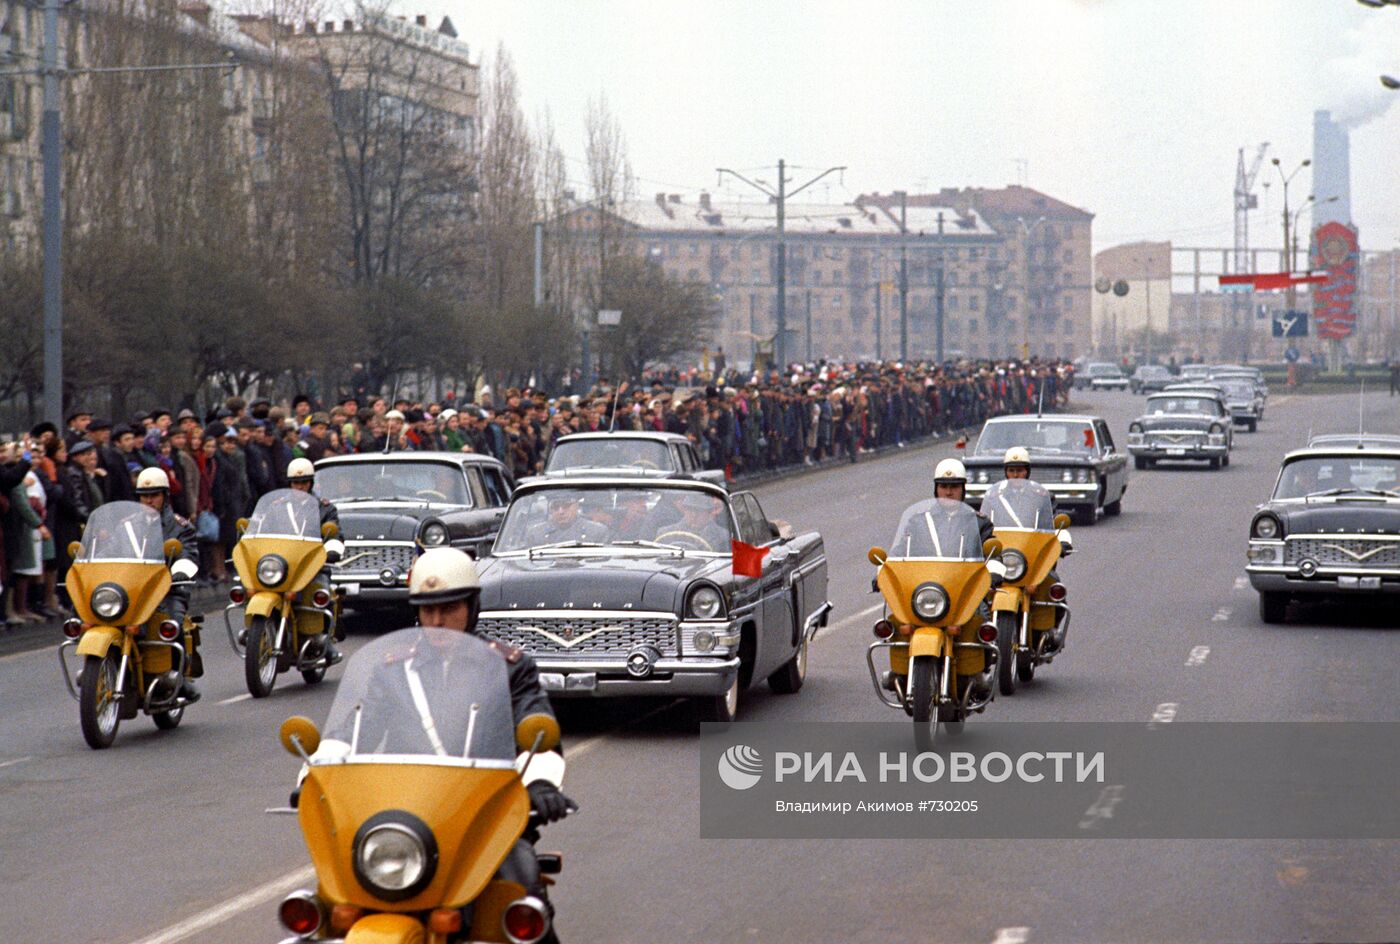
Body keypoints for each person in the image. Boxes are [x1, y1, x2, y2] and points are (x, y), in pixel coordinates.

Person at [306, 548, 572, 924]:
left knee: (521, 900)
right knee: (333, 901)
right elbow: (358, 724)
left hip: (487, 815)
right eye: (428, 610)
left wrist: (541, 782)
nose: (437, 621)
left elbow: (536, 723)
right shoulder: (395, 669)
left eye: (449, 609)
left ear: (472, 606)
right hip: (408, 810)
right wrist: (317, 771)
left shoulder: (507, 668)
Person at [135, 468, 202, 702]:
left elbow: (189, 554)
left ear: (165, 495)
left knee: (171, 622)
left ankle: (179, 676)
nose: (149, 500)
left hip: (168, 589)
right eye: (144, 495)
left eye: (154, 494)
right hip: (133, 589)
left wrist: (180, 572)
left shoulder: (179, 526)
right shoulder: (127, 524)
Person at [286, 458, 345, 651]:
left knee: (321, 593)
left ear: (311, 483)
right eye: (296, 483)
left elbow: (335, 533)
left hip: (313, 566)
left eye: (304, 483)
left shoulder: (325, 508)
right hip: (284, 565)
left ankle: (325, 639)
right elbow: (261, 527)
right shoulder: (277, 506)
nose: (300, 487)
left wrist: (332, 549)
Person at [933, 457, 993, 544]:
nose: (948, 492)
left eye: (954, 486)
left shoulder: (979, 523)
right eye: (943, 486)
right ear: (936, 489)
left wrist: (994, 557)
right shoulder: (921, 522)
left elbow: (991, 553)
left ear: (963, 490)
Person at [525, 494, 609, 546]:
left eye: (566, 506)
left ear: (576, 506)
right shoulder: (535, 534)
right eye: (556, 507)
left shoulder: (597, 531)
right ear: (550, 509)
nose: (561, 511)